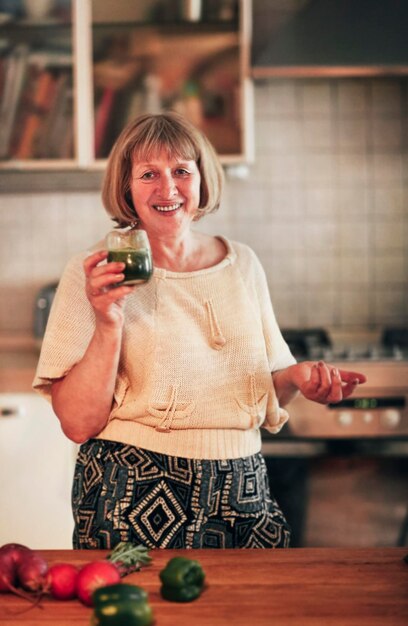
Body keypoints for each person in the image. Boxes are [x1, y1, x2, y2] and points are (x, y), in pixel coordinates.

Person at [33, 112, 366, 550]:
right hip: (131, 486)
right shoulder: (94, 272)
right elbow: (77, 423)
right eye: (148, 174)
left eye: (181, 171)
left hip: (242, 484)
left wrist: (298, 379)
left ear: (202, 179)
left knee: (257, 615)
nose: (167, 188)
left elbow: (266, 389)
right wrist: (108, 321)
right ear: (126, 188)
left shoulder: (242, 263)